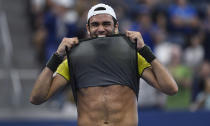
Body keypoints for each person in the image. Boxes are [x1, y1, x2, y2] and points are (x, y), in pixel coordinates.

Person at [30, 3, 178, 126]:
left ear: (116, 26)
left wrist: (144, 50)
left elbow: (171, 88)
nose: (101, 29)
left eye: (106, 23)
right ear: (88, 29)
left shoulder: (134, 56)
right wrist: (57, 56)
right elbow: (37, 98)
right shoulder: (74, 60)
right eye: (95, 24)